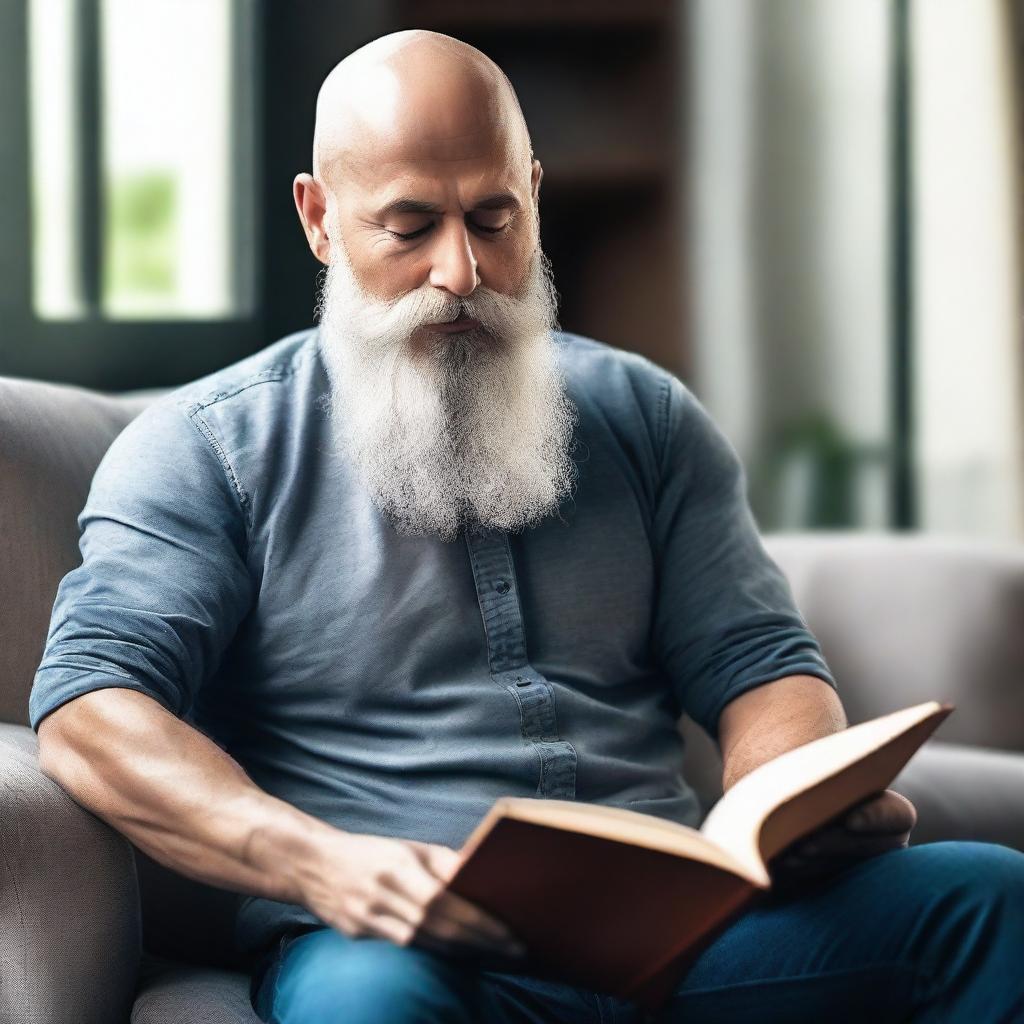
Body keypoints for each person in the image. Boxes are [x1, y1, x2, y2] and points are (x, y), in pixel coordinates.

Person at [29, 28, 1024, 1024]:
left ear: (534, 195)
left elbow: (760, 663)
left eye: (493, 218)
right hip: (398, 947)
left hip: (683, 943)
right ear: (320, 219)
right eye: (410, 224)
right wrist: (321, 863)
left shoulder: (647, 417)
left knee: (987, 899)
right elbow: (88, 708)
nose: (461, 271)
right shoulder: (206, 449)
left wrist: (786, 808)